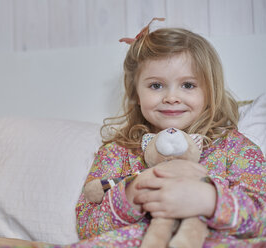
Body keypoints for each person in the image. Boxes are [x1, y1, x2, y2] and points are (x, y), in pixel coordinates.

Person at [74, 18, 266, 247]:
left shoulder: (235, 148)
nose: (171, 97)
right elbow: (87, 227)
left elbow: (261, 217)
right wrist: (131, 195)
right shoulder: (118, 152)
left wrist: (210, 201)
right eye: (156, 85)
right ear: (135, 93)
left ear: (210, 90)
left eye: (188, 85)